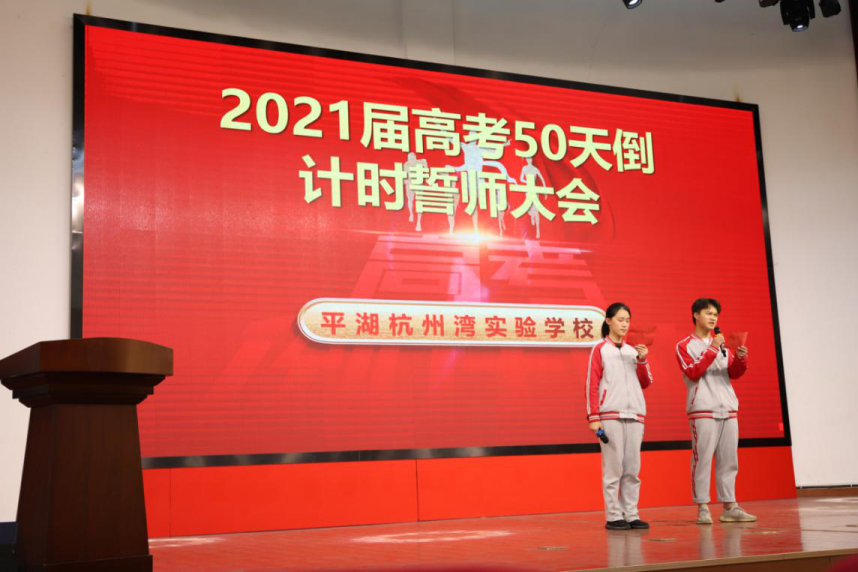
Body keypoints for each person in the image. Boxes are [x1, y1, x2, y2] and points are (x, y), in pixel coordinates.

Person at [675, 298, 755, 524]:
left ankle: (730, 506)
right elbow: (693, 371)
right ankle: (702, 507)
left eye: (715, 314)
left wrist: (741, 358)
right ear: (695, 315)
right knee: (702, 459)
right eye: (708, 313)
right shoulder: (684, 345)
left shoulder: (722, 345)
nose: (712, 318)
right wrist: (712, 349)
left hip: (728, 407)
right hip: (703, 408)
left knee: (729, 459)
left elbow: (733, 373)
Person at [586, 302, 653, 530]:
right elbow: (592, 384)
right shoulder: (600, 349)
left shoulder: (634, 351)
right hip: (610, 415)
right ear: (608, 321)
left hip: (635, 415)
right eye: (620, 319)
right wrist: (594, 417)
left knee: (632, 469)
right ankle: (614, 515)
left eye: (627, 320)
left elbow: (646, 382)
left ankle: (631, 513)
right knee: (613, 468)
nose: (624, 324)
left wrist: (642, 360)